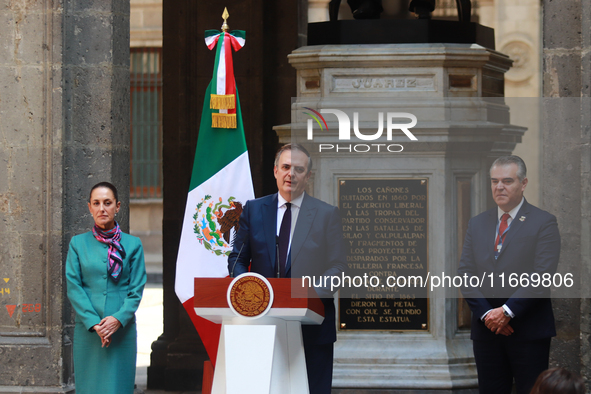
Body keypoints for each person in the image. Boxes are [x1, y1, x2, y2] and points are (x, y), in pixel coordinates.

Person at [228, 143, 347, 394]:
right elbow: (237, 259)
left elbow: (338, 267)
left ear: (308, 176)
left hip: (313, 328)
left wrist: (310, 294)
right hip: (262, 323)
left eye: (298, 169)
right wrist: (251, 291)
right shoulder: (254, 210)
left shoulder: (327, 215)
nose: (290, 174)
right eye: (285, 167)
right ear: (275, 171)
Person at [457, 155, 561, 394]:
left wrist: (507, 312)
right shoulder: (477, 223)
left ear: (523, 183)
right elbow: (465, 273)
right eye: (494, 181)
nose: (499, 187)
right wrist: (487, 315)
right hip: (487, 332)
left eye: (507, 180)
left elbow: (542, 275)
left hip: (527, 330)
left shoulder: (543, 222)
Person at [66, 182, 147, 394]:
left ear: (117, 206)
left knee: (118, 387)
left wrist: (118, 320)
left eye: (108, 203)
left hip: (122, 330)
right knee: (89, 387)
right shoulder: (77, 244)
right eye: (97, 203)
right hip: (89, 331)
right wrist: (96, 324)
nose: (102, 208)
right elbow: (74, 287)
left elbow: (136, 289)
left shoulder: (133, 245)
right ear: (89, 207)